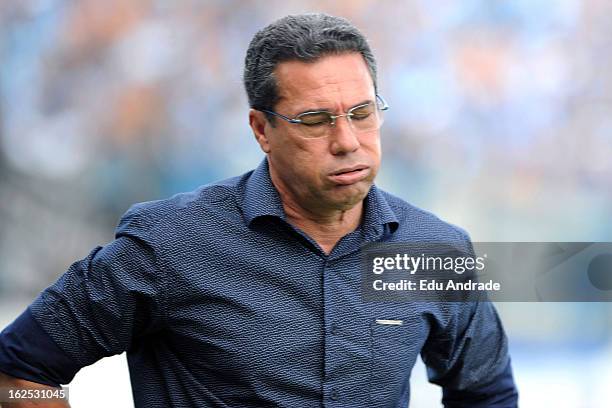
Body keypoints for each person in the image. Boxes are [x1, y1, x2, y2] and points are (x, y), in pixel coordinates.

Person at [0, 13, 518, 407]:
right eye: (315, 120)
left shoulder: (435, 249)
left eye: (361, 113)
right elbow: (19, 372)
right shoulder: (170, 242)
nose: (347, 141)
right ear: (261, 129)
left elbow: (488, 395)